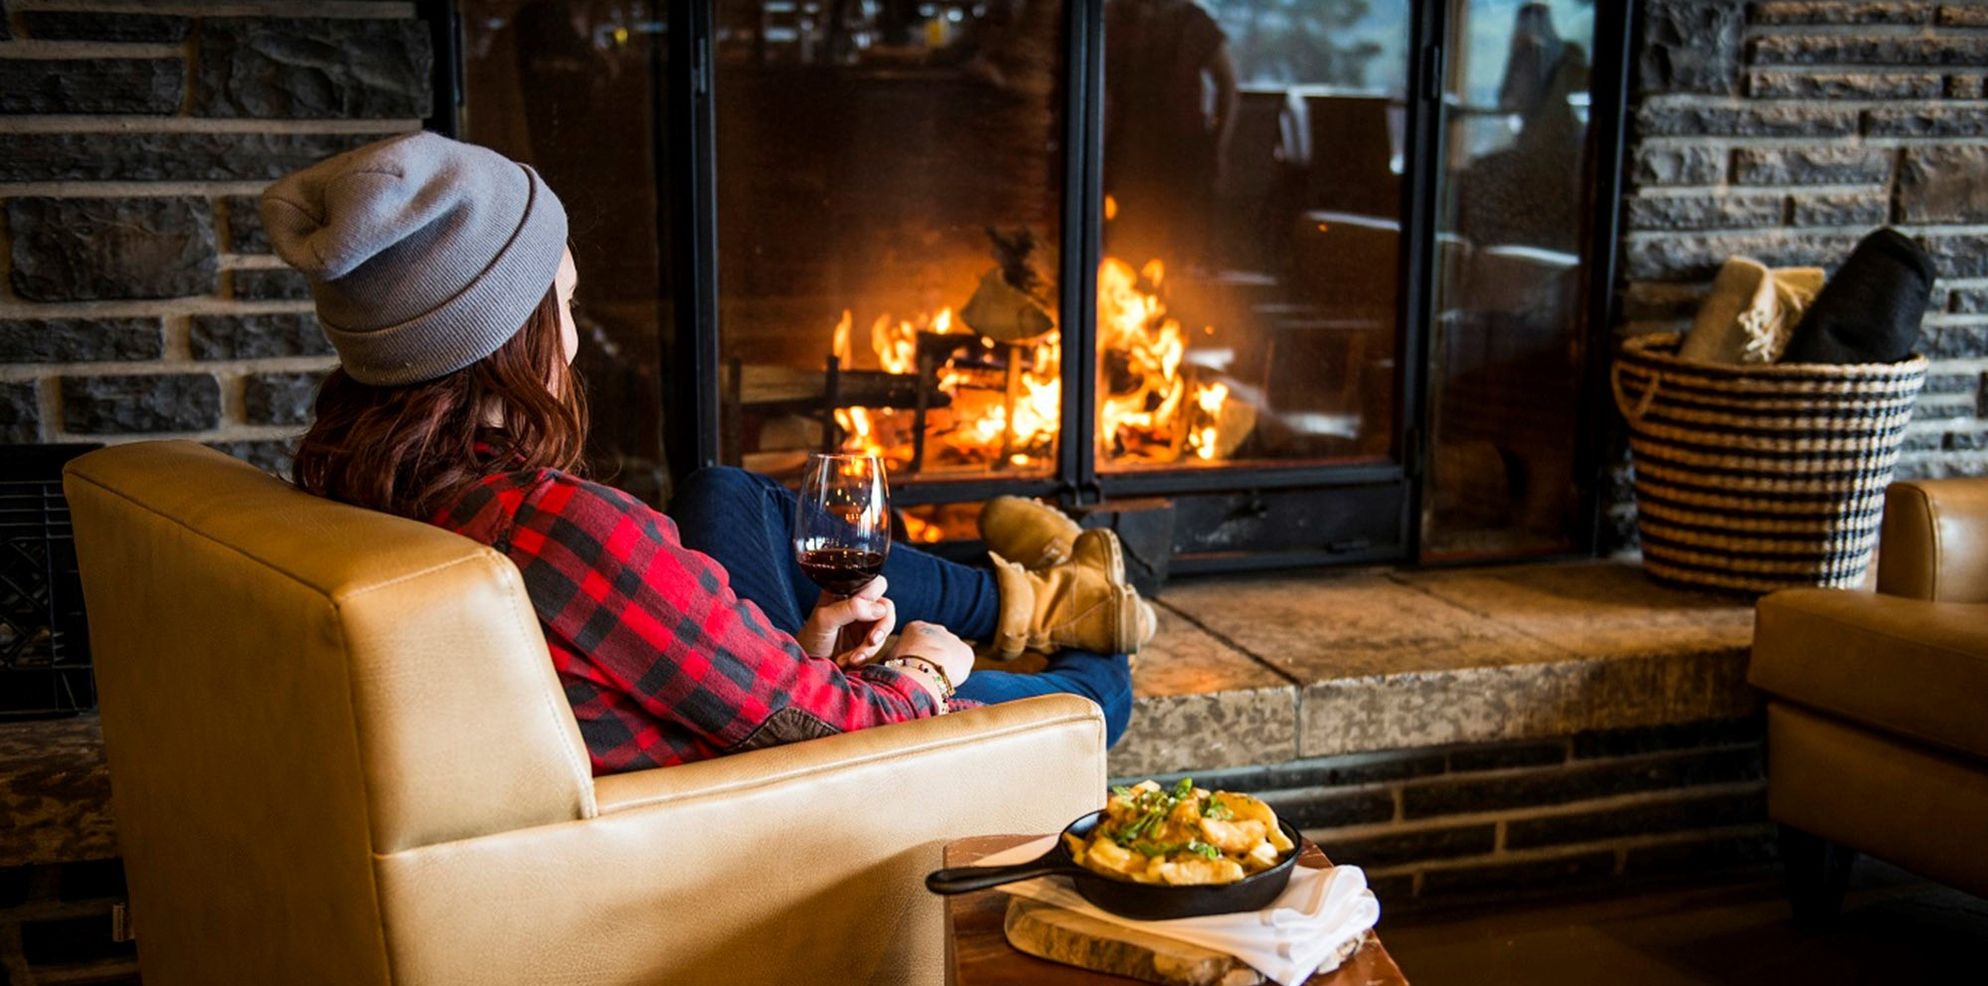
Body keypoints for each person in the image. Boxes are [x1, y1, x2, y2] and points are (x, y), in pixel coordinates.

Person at [266, 133, 1149, 774]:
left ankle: (1042, 594)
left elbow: (696, 683)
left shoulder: (359, 491)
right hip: (788, 792)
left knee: (724, 490)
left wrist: (800, 653)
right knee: (1100, 686)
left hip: (740, 739)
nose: (575, 341)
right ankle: (1063, 604)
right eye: (567, 305)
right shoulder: (566, 529)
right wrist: (924, 667)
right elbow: (841, 731)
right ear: (514, 337)